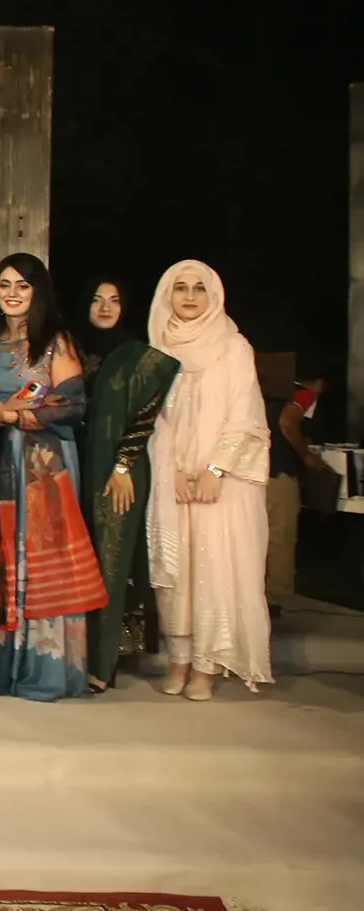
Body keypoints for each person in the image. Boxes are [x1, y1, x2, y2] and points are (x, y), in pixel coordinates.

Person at [0, 253, 105, 701]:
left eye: (22, 286)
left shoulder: (54, 343)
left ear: (38, 293)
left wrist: (12, 412)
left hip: (43, 467)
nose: (13, 294)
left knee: (37, 555)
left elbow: (72, 404)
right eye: (4, 286)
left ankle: (44, 667)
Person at [145, 260, 274, 698]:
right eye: (180, 288)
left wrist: (216, 468)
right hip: (173, 476)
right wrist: (174, 469)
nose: (189, 296)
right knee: (177, 570)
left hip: (224, 480)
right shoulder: (158, 347)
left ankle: (208, 664)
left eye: (199, 288)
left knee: (215, 567)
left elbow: (246, 414)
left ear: (214, 295)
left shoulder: (233, 347)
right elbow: (156, 419)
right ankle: (179, 658)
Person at [76, 275, 179, 690]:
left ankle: (103, 664)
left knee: (111, 561)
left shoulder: (140, 357)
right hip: (72, 463)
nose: (105, 307)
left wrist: (122, 466)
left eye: (114, 300)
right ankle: (71, 655)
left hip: (118, 471)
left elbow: (145, 415)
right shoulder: (70, 350)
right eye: (97, 299)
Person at [264, 372, 329, 611]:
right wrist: (307, 455)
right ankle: (271, 596)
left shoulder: (263, 392)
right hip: (280, 474)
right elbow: (287, 422)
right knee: (280, 536)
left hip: (255, 473)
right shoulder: (304, 394)